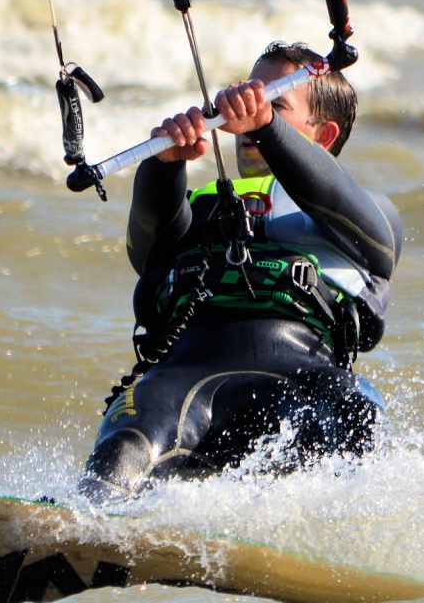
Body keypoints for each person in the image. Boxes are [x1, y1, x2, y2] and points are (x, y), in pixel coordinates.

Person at [79, 41, 401, 499]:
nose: (247, 111)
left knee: (358, 413)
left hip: (304, 379)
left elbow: (375, 240)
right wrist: (163, 166)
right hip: (181, 379)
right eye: (248, 95)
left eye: (275, 102)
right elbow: (146, 255)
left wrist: (267, 127)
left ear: (324, 136)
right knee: (128, 439)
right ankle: (76, 529)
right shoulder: (197, 205)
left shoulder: (367, 211)